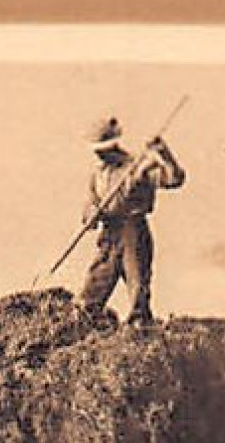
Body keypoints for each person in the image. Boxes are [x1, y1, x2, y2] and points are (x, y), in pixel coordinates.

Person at [78, 116, 186, 326]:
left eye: (102, 149)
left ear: (113, 146)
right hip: (109, 234)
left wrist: (164, 153)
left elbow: (175, 179)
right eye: (97, 150)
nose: (98, 154)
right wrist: (91, 214)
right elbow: (89, 207)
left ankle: (140, 330)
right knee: (90, 296)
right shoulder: (97, 175)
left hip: (132, 231)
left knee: (138, 292)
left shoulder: (138, 166)